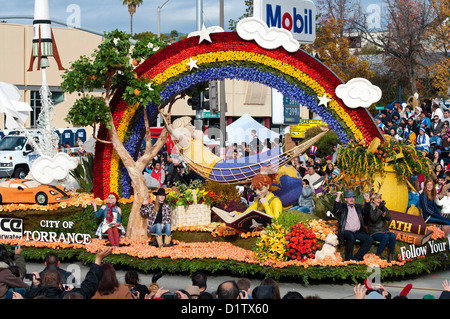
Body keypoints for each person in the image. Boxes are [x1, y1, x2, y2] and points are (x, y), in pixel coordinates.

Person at [26, 247, 113, 299]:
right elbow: (88, 286)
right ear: (59, 285)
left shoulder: (31, 295)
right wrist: (98, 259)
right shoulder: (66, 296)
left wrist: (35, 286)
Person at [332, 190, 373, 261]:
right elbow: (336, 210)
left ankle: (356, 258)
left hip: (357, 232)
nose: (351, 199)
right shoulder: (343, 207)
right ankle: (348, 259)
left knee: (369, 239)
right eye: (349, 197)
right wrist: (338, 196)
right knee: (351, 236)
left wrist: (367, 200)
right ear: (345, 199)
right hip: (345, 231)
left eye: (353, 197)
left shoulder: (358, 207)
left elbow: (366, 212)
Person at [365, 193, 396, 262]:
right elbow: (373, 219)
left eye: (380, 198)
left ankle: (390, 256)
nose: (379, 200)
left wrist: (384, 212)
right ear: (373, 200)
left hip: (384, 230)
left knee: (393, 236)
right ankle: (378, 255)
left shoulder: (383, 207)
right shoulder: (371, 207)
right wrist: (379, 210)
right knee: (385, 237)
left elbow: (389, 218)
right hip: (375, 231)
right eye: (377, 198)